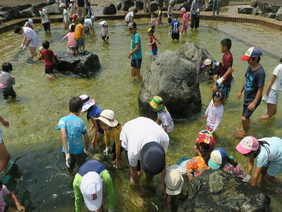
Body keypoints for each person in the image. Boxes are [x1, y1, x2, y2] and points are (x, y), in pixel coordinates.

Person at [120, 117, 169, 196]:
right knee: (137, 174)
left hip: (147, 125)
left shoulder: (164, 139)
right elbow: (133, 170)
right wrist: (139, 189)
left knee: (150, 173)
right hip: (130, 129)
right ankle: (134, 191)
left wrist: (163, 183)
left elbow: (163, 161)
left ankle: (148, 178)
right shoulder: (133, 151)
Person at [236, 47, 265, 139]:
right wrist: (240, 91)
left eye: (248, 59)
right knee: (244, 116)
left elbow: (260, 89)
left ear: (255, 58)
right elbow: (246, 79)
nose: (247, 61)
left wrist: (254, 103)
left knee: (244, 118)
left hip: (253, 99)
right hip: (247, 96)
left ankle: (245, 134)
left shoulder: (260, 73)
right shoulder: (250, 67)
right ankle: (245, 127)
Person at [57, 97, 89, 172]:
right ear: (80, 109)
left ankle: (72, 174)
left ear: (69, 107)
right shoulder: (81, 122)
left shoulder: (62, 120)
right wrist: (86, 149)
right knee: (83, 170)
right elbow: (86, 138)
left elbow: (63, 136)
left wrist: (67, 153)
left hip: (67, 150)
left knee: (70, 168)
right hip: (79, 151)